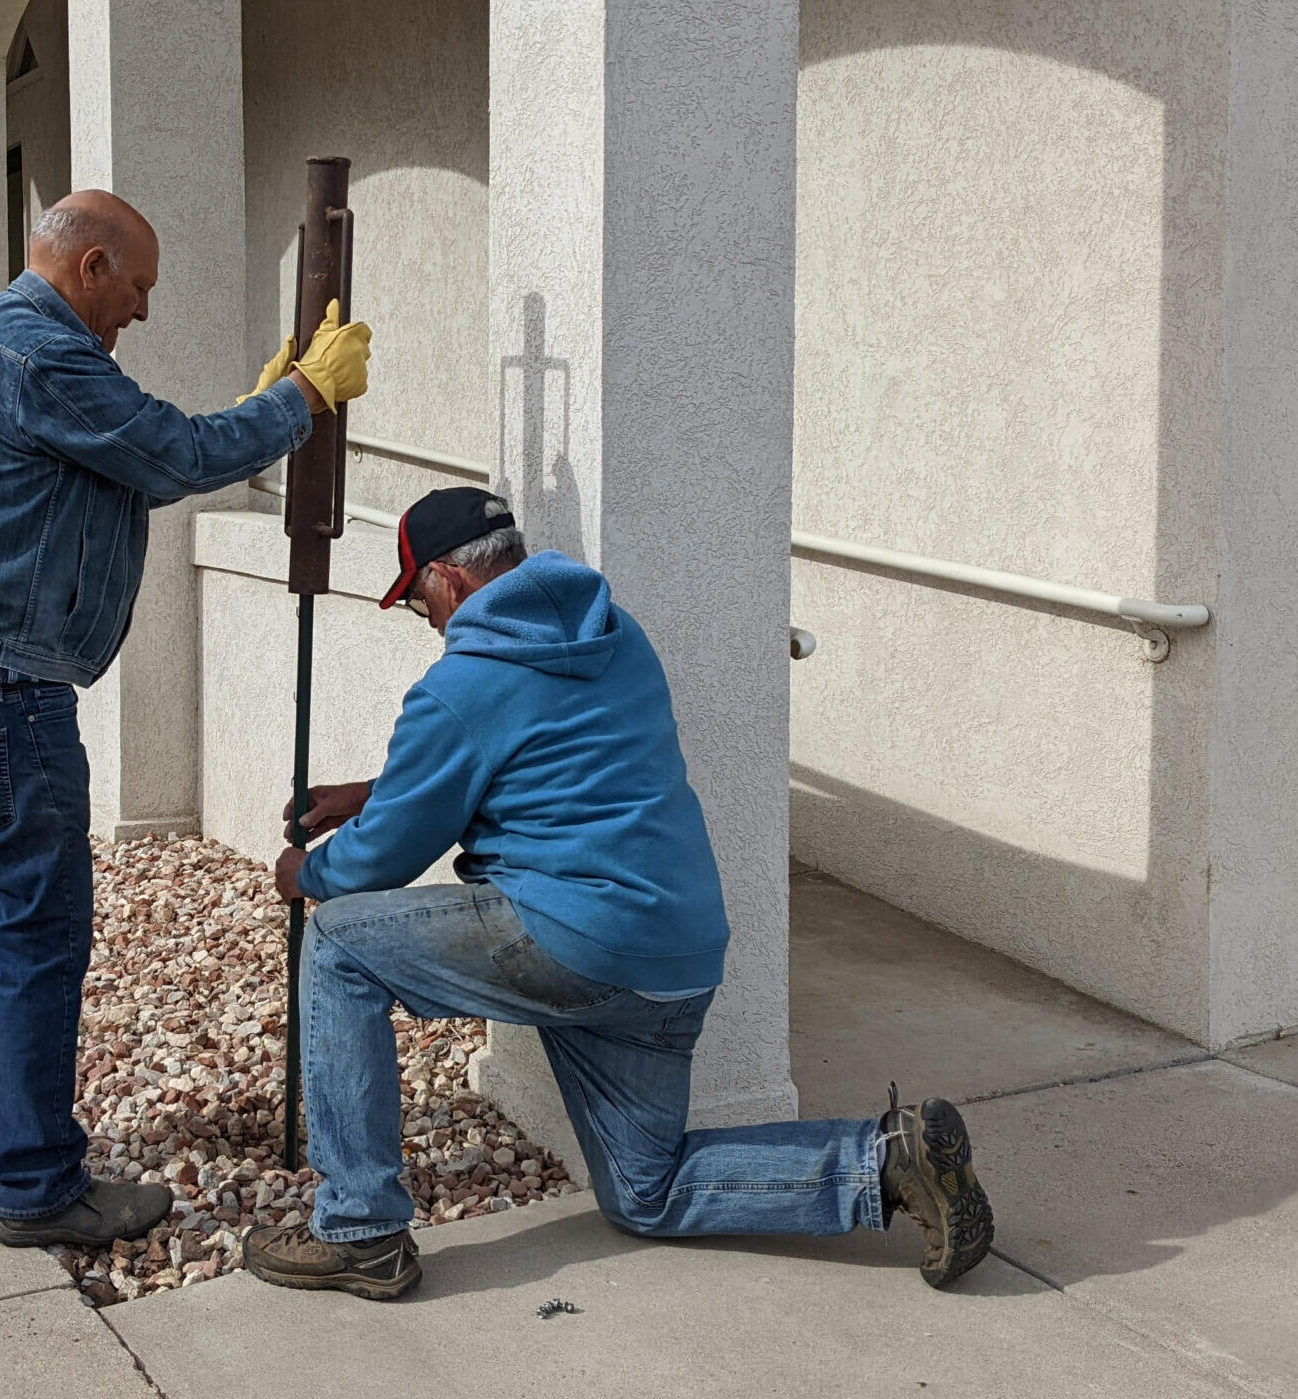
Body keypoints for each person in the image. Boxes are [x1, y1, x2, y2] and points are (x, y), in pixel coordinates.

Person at [244, 487, 994, 1299]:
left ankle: (360, 1231)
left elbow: (381, 858)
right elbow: (542, 754)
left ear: (449, 580)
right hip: (674, 957)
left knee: (339, 943)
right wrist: (369, 791)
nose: (424, 617)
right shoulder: (614, 631)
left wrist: (306, 874)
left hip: (574, 942)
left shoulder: (462, 682)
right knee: (647, 1190)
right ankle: (886, 1160)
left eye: (417, 597)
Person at [0, 188, 372, 1249]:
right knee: (39, 932)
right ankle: (39, 1185)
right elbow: (164, 453)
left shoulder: (9, 347)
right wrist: (301, 397)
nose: (144, 310)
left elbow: (131, 464)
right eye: (140, 286)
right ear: (93, 265)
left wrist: (251, 423)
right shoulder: (37, 356)